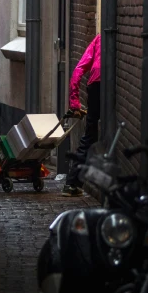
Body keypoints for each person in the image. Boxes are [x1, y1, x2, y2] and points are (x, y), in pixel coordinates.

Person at [62, 33, 101, 196]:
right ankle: (73, 182)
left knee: (89, 137)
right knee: (93, 136)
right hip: (102, 85)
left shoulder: (98, 39)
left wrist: (74, 102)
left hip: (94, 87)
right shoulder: (101, 39)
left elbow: (78, 71)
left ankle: (72, 183)